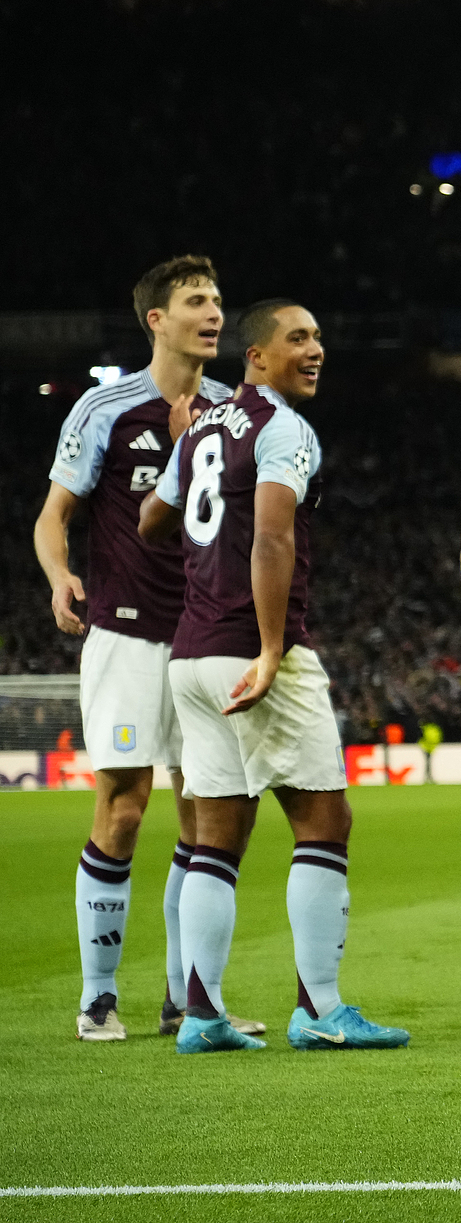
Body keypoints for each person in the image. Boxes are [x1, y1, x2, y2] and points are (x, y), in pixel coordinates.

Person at [138, 298, 408, 1053]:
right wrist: (268, 648)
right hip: (253, 651)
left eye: (320, 337)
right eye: (298, 338)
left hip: (189, 654)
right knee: (324, 823)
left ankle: (200, 1014)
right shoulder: (281, 427)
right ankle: (320, 1011)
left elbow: (150, 523)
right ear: (256, 357)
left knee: (214, 838)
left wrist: (182, 449)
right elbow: (271, 536)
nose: (316, 349)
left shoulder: (202, 432)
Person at [35, 256, 249, 1043]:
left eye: (219, 299)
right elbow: (54, 513)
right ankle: (98, 999)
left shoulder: (237, 411)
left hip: (205, 638)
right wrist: (60, 575)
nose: (214, 311)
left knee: (205, 820)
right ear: (155, 319)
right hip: (124, 633)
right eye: (196, 299)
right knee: (122, 811)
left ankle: (188, 999)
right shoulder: (107, 408)